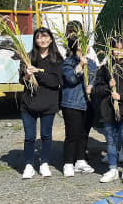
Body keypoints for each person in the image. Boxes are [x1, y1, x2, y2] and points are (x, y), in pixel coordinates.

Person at [95, 37, 123, 184]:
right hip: (108, 110)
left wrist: (121, 96)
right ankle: (113, 169)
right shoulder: (105, 67)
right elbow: (97, 89)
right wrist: (108, 86)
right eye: (115, 49)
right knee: (111, 141)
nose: (118, 52)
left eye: (121, 49)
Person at [19, 27, 63, 179]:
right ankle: (29, 165)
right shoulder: (28, 57)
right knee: (30, 136)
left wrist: (38, 72)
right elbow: (21, 81)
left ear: (51, 39)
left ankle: (44, 163)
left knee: (46, 135)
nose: (42, 40)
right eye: (39, 37)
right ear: (35, 40)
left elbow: (55, 82)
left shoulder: (57, 59)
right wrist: (26, 75)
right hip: (28, 104)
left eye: (45, 37)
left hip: (48, 103)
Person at [60, 35, 97, 177]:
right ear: (76, 46)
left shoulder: (92, 63)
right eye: (83, 44)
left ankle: (80, 160)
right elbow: (70, 79)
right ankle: (68, 162)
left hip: (88, 103)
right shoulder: (68, 62)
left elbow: (96, 79)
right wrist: (80, 65)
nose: (87, 47)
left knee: (83, 133)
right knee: (72, 134)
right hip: (72, 103)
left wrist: (92, 87)